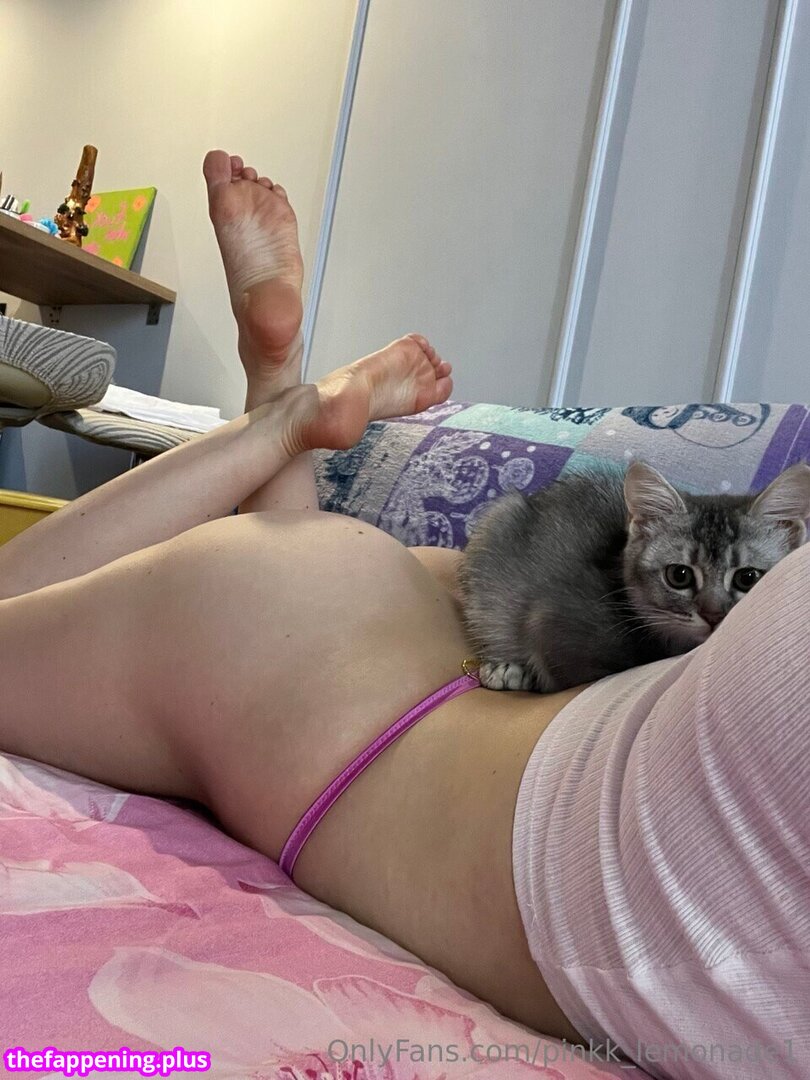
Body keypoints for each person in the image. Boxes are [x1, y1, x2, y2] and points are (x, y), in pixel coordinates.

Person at [0, 150, 806, 1079]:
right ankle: (284, 418)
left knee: (284, 555)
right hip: (345, 696)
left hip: (356, 654)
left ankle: (283, 389)